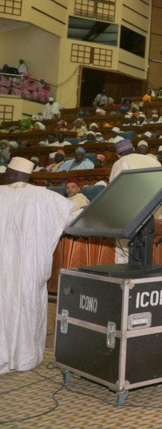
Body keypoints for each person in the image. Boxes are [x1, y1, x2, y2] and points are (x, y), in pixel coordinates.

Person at [0, 157, 73, 373]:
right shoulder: (44, 196)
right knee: (25, 307)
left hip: (3, 268)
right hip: (28, 269)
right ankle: (24, 358)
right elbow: (71, 214)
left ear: (12, 174)